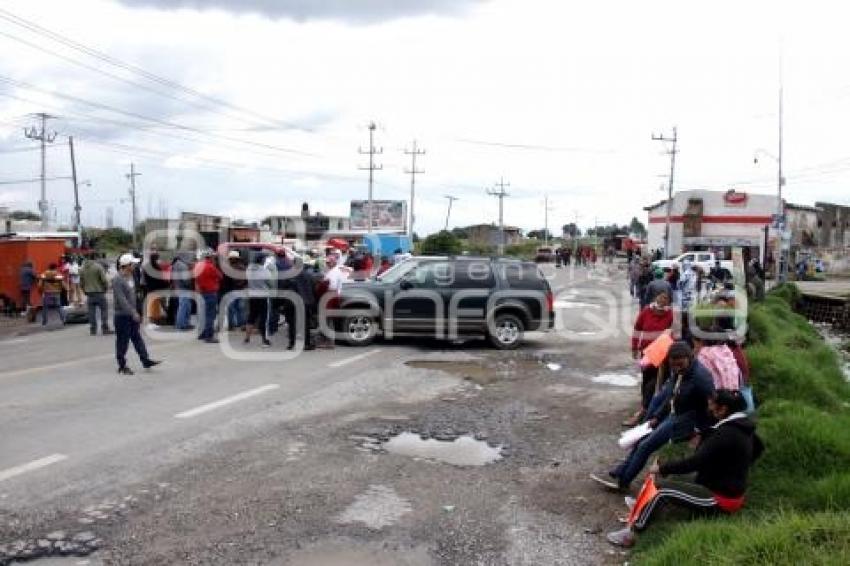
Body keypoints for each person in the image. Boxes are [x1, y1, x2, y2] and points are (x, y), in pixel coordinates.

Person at [606, 389, 764, 547]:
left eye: (711, 406)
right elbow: (758, 448)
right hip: (720, 486)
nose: (709, 409)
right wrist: (734, 468)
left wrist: (661, 468)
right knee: (674, 479)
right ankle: (645, 505)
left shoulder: (727, 433)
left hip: (720, 498)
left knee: (661, 489)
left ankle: (632, 533)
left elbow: (694, 463)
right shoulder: (742, 426)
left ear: (723, 409)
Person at [592, 341, 715, 491]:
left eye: (680, 365)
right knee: (641, 440)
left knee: (645, 447)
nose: (676, 369)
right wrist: (657, 417)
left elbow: (712, 408)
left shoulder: (701, 378)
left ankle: (623, 482)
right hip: (675, 413)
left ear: (690, 358)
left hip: (686, 421)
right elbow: (671, 396)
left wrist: (699, 431)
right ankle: (619, 472)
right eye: (673, 365)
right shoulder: (680, 371)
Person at [624, 291, 674, 427]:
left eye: (666, 298)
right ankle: (644, 409)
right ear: (656, 297)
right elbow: (637, 329)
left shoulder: (671, 314)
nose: (663, 300)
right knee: (646, 382)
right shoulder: (646, 311)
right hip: (647, 354)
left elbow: (674, 333)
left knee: (658, 383)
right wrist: (634, 347)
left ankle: (648, 412)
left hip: (663, 355)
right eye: (661, 296)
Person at [112, 253, 161, 375]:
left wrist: (138, 310)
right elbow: (121, 299)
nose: (135, 266)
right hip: (122, 315)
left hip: (132, 314)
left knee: (137, 338)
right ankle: (122, 365)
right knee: (123, 341)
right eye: (132, 264)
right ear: (126, 265)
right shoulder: (117, 279)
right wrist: (133, 312)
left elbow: (134, 295)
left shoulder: (132, 277)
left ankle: (145, 359)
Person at [283, 256, 317, 350]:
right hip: (304, 302)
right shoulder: (308, 275)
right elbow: (313, 288)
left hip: (291, 302)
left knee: (292, 323)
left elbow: (283, 288)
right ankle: (306, 344)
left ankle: (292, 343)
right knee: (304, 324)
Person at [80, 253, 113, 335]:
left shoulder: (82, 268)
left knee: (91, 312)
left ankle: (93, 329)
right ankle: (105, 328)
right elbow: (104, 280)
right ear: (95, 257)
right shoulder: (98, 267)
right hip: (99, 292)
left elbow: (81, 282)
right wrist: (105, 288)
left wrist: (85, 291)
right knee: (104, 310)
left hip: (89, 293)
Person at [194, 250, 222, 343]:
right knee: (210, 315)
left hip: (201, 292)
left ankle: (202, 333)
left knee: (202, 314)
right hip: (210, 292)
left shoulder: (198, 265)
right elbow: (220, 276)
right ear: (210, 257)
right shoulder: (210, 266)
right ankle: (209, 336)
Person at [245, 254, 272, 347]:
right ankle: (264, 339)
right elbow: (270, 283)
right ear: (261, 260)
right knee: (264, 318)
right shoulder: (265, 271)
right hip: (263, 296)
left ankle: (247, 337)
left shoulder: (249, 269)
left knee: (251, 316)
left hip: (252, 296)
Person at [220, 250, 247, 331]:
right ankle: (241, 324)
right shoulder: (242, 267)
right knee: (240, 308)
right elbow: (246, 279)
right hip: (240, 290)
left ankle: (232, 325)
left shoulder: (227, 268)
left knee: (232, 308)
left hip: (231, 290)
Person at [172, 252, 195, 331]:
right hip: (184, 288)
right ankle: (181, 324)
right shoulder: (183, 266)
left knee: (185, 306)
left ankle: (184, 323)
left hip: (178, 287)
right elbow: (186, 280)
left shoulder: (176, 264)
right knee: (184, 307)